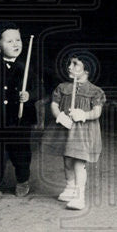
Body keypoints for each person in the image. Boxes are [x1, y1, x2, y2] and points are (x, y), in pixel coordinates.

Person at [0, 23, 42, 204]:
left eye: (18, 40)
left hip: (20, 121)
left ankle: (22, 180)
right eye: (10, 41)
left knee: (21, 152)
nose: (16, 44)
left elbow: (40, 89)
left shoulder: (27, 69)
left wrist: (30, 95)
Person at [42, 52, 106, 211]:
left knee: (78, 162)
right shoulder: (63, 88)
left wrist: (85, 114)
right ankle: (70, 187)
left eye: (75, 64)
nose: (69, 67)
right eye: (70, 63)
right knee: (67, 160)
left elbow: (97, 112)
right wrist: (59, 116)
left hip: (83, 132)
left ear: (87, 70)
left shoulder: (95, 91)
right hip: (65, 129)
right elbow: (54, 105)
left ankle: (79, 195)